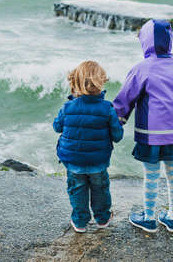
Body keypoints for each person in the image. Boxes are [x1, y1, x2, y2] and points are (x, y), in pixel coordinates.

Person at [113, 19, 173, 233]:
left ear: (146, 42)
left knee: (151, 176)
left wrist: (116, 122)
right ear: (169, 41)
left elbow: (124, 101)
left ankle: (149, 218)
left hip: (151, 134)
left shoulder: (142, 69)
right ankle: (172, 218)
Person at [53, 61, 124, 233]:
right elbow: (117, 136)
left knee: (77, 190)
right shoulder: (107, 108)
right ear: (101, 82)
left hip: (73, 161)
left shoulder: (67, 107)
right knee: (100, 189)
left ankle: (80, 221)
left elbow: (57, 127)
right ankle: (102, 218)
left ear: (75, 82)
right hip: (98, 162)